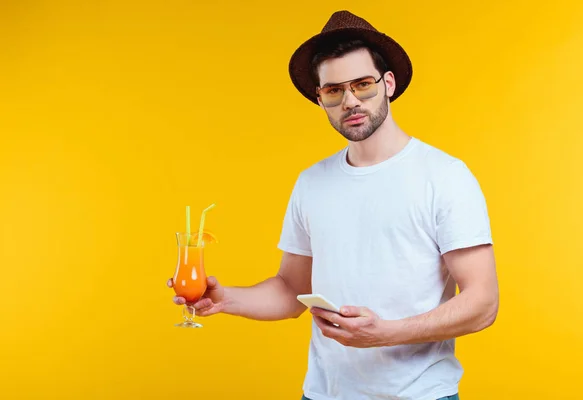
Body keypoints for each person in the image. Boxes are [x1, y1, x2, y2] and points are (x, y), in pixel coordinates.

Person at [167, 10, 499, 400]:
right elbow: (292, 290)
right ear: (320, 97)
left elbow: (483, 302)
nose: (350, 101)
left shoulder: (444, 175)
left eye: (363, 85)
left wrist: (385, 334)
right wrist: (225, 299)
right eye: (334, 90)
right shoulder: (312, 183)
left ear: (388, 83)